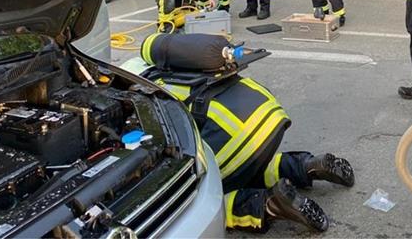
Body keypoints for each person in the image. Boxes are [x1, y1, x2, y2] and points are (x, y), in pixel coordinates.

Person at [139, 32, 355, 233]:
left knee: (199, 198)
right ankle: (307, 166)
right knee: (249, 167)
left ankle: (269, 205)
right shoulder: (182, 65)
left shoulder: (144, 93)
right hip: (268, 114)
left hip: (237, 135)